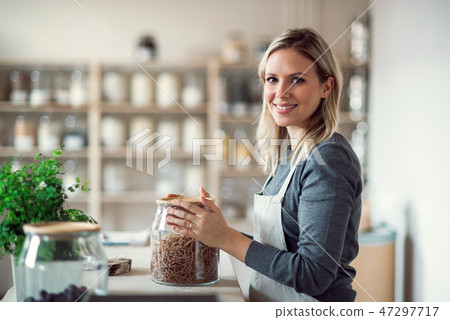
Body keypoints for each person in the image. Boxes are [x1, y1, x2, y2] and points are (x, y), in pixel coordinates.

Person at [166, 28, 362, 302]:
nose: (281, 93)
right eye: (272, 79)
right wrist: (213, 228)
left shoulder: (328, 158)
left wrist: (226, 238)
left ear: (326, 87)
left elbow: (314, 274)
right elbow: (282, 247)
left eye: (297, 80)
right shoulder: (291, 155)